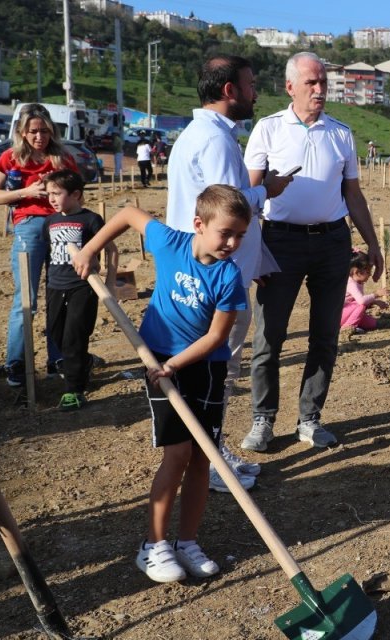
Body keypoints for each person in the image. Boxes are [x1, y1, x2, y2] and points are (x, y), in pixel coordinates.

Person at [74, 185, 252, 583]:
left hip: (203, 367)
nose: (233, 242)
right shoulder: (169, 241)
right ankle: (153, 546)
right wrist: (89, 250)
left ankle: (187, 542)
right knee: (178, 453)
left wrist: (176, 364)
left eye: (240, 235)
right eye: (225, 232)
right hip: (156, 359)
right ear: (198, 225)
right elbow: (125, 214)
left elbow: (216, 338)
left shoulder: (229, 276)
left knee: (205, 455)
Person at [241, 51, 383, 451]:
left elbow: (353, 195)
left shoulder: (340, 133)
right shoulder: (268, 130)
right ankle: (263, 420)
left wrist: (372, 244)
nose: (320, 89)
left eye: (323, 82)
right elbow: (251, 196)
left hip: (332, 243)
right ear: (290, 87)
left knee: (325, 335)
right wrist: (250, 250)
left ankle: (310, 418)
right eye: (311, 83)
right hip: (280, 242)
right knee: (270, 335)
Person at [167, 55, 293, 490]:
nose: (255, 92)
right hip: (217, 278)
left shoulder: (199, 134)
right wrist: (267, 190)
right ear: (229, 91)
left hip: (212, 270)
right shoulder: (217, 142)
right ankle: (210, 458)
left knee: (214, 372)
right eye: (251, 84)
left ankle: (212, 450)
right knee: (217, 372)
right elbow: (229, 207)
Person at [0, 103, 79, 387]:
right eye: (34, 131)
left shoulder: (61, 157)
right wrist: (27, 191)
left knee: (58, 296)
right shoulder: (12, 158)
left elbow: (77, 190)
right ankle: (17, 366)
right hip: (29, 228)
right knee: (25, 300)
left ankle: (57, 359)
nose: (40, 137)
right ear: (23, 133)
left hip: (60, 228)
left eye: (45, 131)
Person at [44, 169, 117, 410]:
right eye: (49, 194)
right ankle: (84, 363)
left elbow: (111, 249)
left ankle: (74, 390)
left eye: (57, 193)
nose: (52, 198)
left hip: (82, 287)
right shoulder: (50, 221)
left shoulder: (90, 220)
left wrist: (110, 283)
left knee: (75, 336)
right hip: (55, 286)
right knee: (56, 334)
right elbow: (49, 255)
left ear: (76, 194)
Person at [340, 251, 388, 332]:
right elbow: (361, 301)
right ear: (357, 272)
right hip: (340, 315)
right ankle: (347, 327)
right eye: (368, 272)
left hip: (348, 313)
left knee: (372, 323)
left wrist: (375, 302)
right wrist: (376, 294)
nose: (370, 275)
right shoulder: (351, 284)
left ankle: (353, 324)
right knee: (361, 305)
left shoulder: (358, 282)